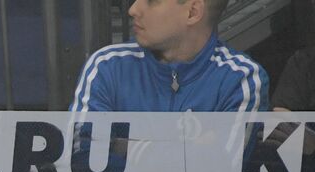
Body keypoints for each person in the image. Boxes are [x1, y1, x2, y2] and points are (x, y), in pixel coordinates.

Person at [70, 0, 268, 112]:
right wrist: (195, 145)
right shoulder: (107, 66)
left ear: (192, 12)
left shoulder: (242, 79)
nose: (133, 9)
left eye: (151, 1)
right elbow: (85, 169)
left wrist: (123, 145)